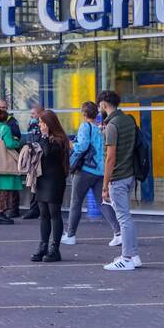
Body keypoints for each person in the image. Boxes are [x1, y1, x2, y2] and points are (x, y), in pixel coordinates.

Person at [63, 101, 123, 247]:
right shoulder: (101, 129)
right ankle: (118, 232)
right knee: (102, 203)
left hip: (85, 171)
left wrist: (71, 144)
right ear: (96, 114)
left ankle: (70, 235)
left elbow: (82, 146)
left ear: (84, 114)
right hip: (100, 171)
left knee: (76, 202)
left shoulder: (85, 126)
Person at [99, 90, 142, 271]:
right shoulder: (128, 120)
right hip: (130, 173)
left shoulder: (112, 126)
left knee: (123, 218)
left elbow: (110, 158)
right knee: (125, 217)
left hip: (118, 177)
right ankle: (133, 255)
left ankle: (127, 258)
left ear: (103, 104)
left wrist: (105, 185)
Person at [30, 110, 70, 262]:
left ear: (49, 123)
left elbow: (48, 153)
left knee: (54, 212)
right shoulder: (41, 137)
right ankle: (43, 246)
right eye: (39, 122)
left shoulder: (59, 139)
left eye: (42, 122)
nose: (40, 125)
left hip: (54, 178)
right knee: (43, 213)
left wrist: (45, 136)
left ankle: (55, 248)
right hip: (42, 177)